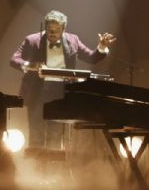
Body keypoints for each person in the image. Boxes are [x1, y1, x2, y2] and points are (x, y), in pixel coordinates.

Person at [10, 10, 115, 149]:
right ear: (45, 27)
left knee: (56, 134)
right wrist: (30, 65)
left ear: (64, 29)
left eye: (56, 30)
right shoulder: (32, 40)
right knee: (36, 134)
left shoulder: (73, 40)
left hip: (61, 92)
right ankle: (35, 167)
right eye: (49, 30)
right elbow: (14, 59)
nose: (52, 33)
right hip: (38, 92)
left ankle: (53, 169)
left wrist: (102, 46)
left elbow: (91, 58)